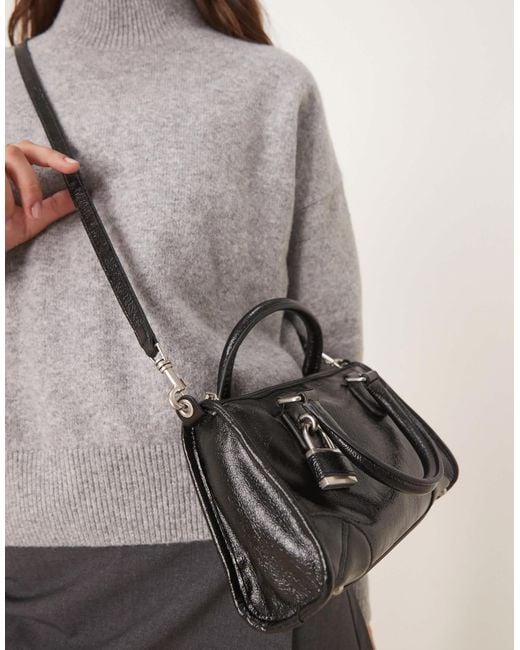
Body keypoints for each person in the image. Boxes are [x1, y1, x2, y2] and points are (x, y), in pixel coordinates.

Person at [5, 0, 375, 647]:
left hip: (264, 547)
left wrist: (353, 585)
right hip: (33, 571)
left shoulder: (271, 87)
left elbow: (333, 359)